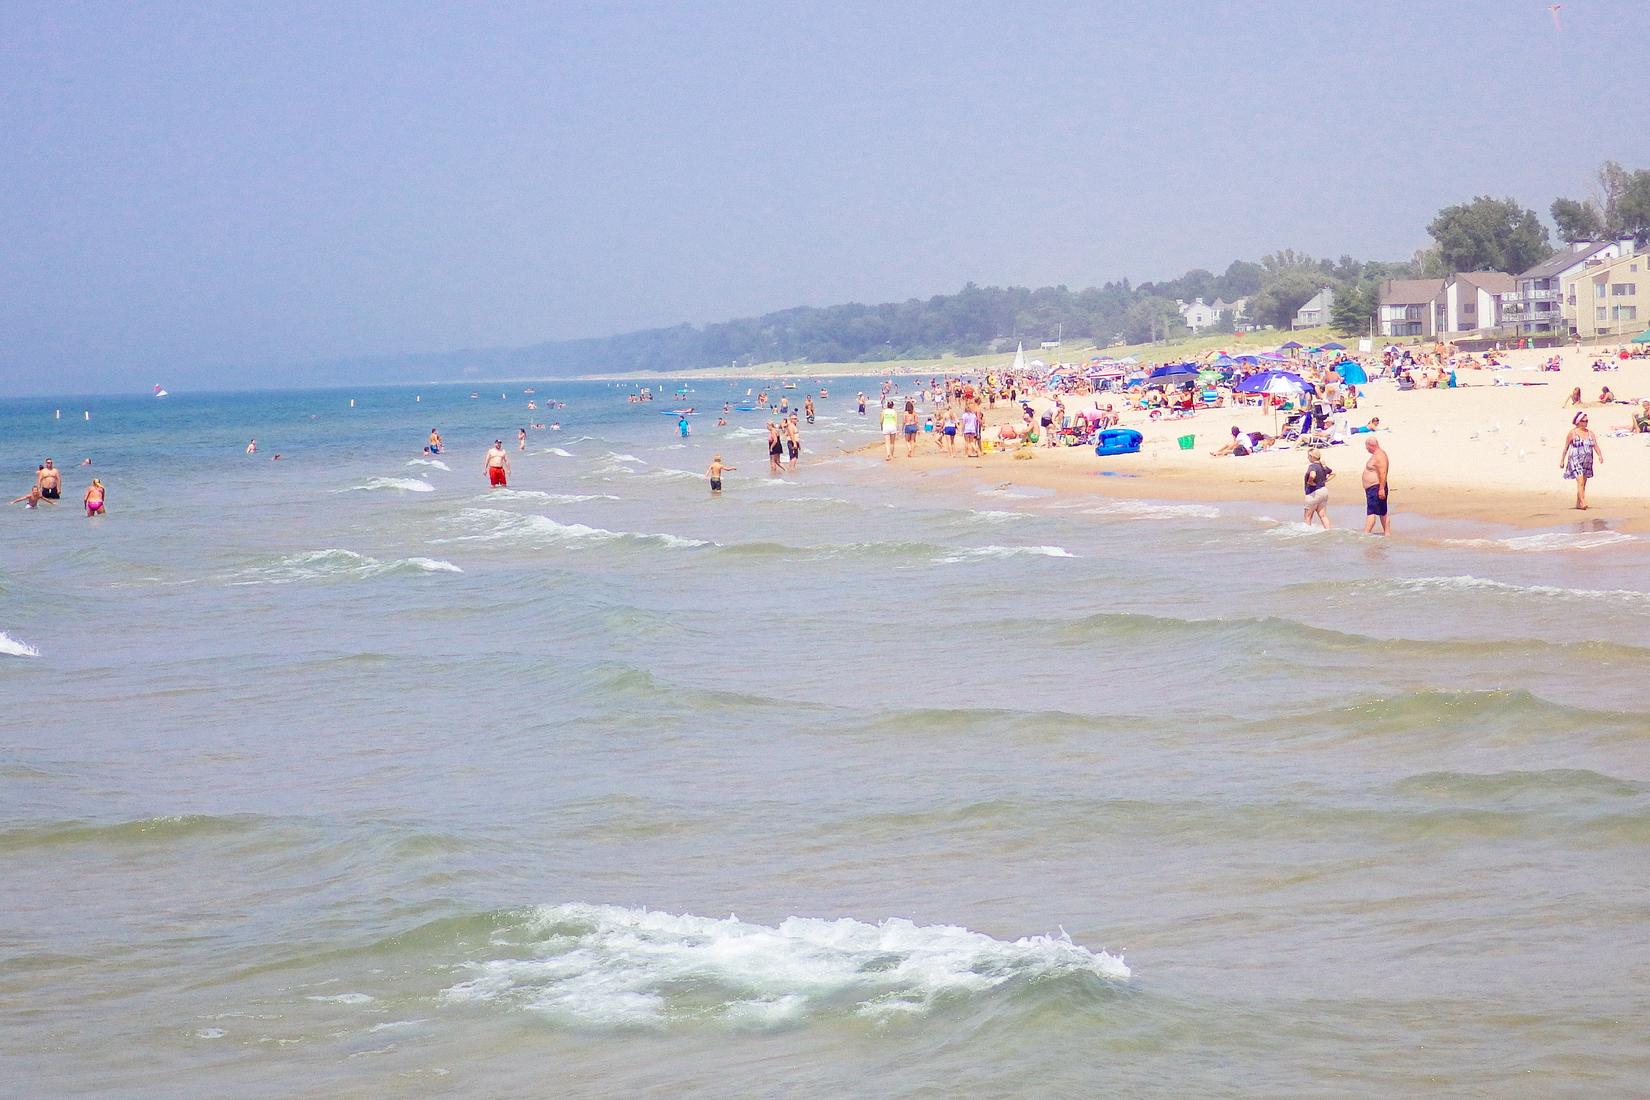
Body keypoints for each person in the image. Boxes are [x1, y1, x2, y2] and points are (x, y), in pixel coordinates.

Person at [1560, 411, 1601, 510]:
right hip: (1575, 459)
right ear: (1578, 422)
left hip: (1587, 460)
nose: (1586, 423)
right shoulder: (1572, 433)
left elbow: (1595, 445)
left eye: (1587, 421)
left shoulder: (1590, 433)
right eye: (1584, 421)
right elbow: (1566, 447)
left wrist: (1600, 455)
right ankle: (1583, 501)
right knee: (1580, 481)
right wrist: (1562, 460)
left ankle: (1578, 503)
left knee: (1583, 482)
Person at [1361, 437, 1390, 536]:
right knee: (1382, 511)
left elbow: (1383, 472)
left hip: (1376, 487)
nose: (1366, 449)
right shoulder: (1376, 455)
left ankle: (1366, 533)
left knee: (1371, 512)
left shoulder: (1380, 456)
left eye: (1366, 446)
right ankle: (1387, 534)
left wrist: (1381, 488)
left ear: (1371, 445)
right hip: (1373, 488)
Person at [1302, 448, 1333, 528]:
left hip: (1313, 493)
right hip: (1323, 491)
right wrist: (1325, 480)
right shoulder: (1322, 466)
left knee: (1308, 517)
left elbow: (1312, 475)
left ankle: (1306, 533)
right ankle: (1328, 531)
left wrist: (1310, 482)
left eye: (1308, 456)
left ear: (1312, 456)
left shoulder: (1312, 466)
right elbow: (1333, 473)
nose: (1307, 458)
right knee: (1323, 515)